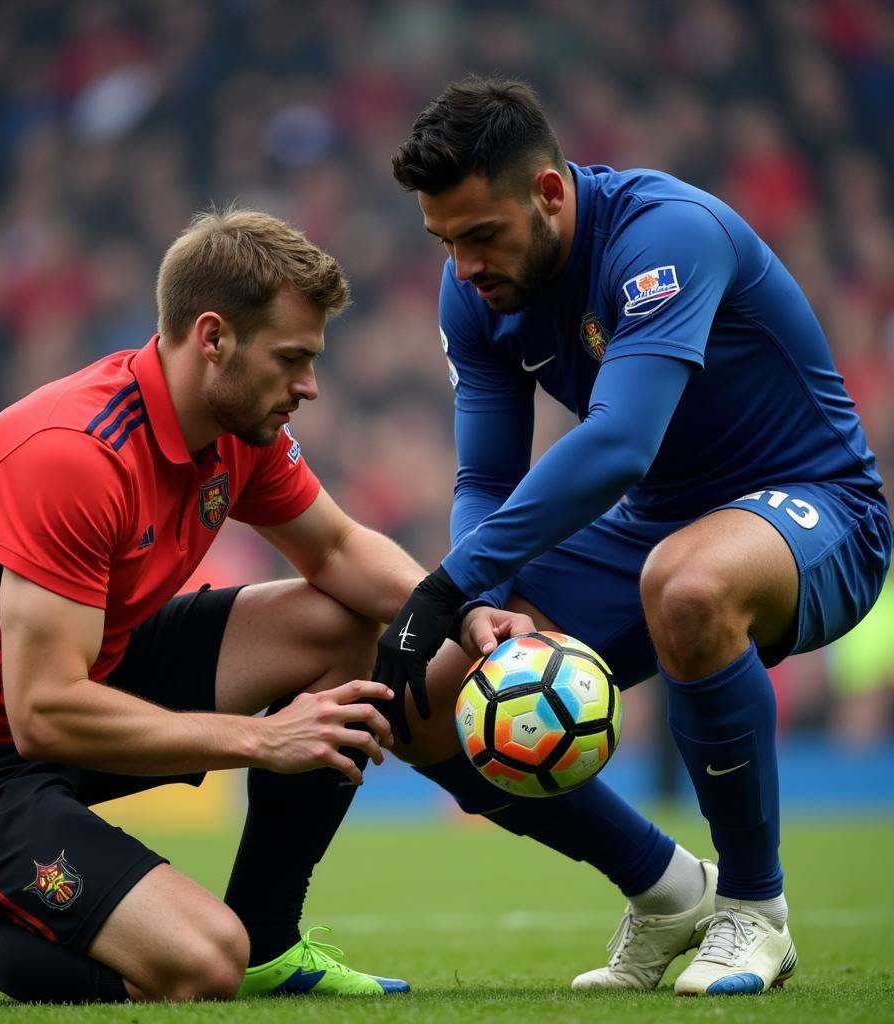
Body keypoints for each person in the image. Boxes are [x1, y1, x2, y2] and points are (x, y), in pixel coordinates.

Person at [0, 209, 525, 1004]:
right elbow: (41, 711)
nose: (310, 386)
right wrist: (263, 737)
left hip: (71, 694)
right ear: (212, 337)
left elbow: (340, 551)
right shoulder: (72, 456)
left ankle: (271, 944)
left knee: (339, 623)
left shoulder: (237, 427)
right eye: (291, 359)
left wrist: (459, 609)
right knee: (198, 965)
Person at [376, 77, 892, 997]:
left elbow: (619, 444)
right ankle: (665, 890)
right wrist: (482, 602)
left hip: (821, 511)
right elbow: (484, 483)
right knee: (422, 706)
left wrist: (450, 584)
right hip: (658, 530)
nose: (462, 266)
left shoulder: (665, 234)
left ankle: (754, 910)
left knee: (687, 585)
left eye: (480, 235)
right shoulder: (476, 295)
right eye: (443, 241)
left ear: (548, 192)